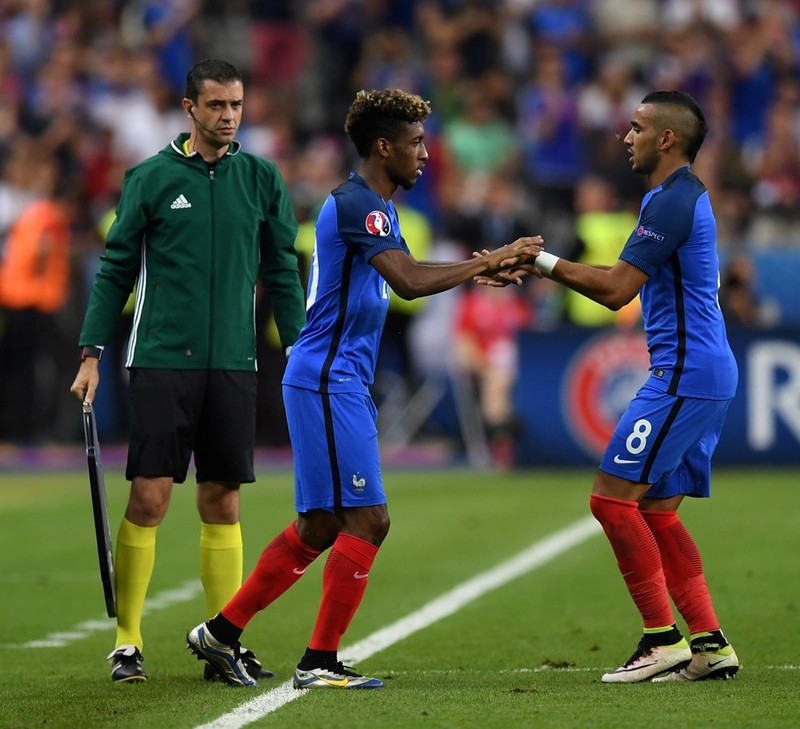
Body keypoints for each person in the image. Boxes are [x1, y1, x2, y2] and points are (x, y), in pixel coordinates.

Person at [185, 88, 542, 689]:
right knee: (368, 519)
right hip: (328, 377)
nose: (425, 154)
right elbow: (406, 281)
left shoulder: (374, 205)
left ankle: (220, 634)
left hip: (331, 376)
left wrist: (482, 269)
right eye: (415, 143)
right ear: (383, 147)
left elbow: (409, 275)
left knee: (323, 524)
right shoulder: (360, 204)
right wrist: (488, 261)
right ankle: (318, 662)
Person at [488, 90, 740, 683]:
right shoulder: (670, 198)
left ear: (667, 139)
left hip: (683, 373)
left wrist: (539, 260)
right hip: (702, 371)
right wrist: (540, 263)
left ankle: (660, 639)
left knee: (610, 498)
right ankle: (709, 645)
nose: (626, 137)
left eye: (636, 127)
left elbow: (616, 290)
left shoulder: (673, 201)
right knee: (657, 512)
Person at [69, 58, 307, 684]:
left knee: (222, 499)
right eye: (217, 106)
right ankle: (127, 641)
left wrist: (302, 348)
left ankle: (222, 640)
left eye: (236, 105)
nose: (229, 116)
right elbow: (116, 267)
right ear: (189, 108)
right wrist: (92, 352)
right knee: (149, 497)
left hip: (233, 360)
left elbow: (283, 270)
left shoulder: (261, 179)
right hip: (158, 359)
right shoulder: (149, 178)